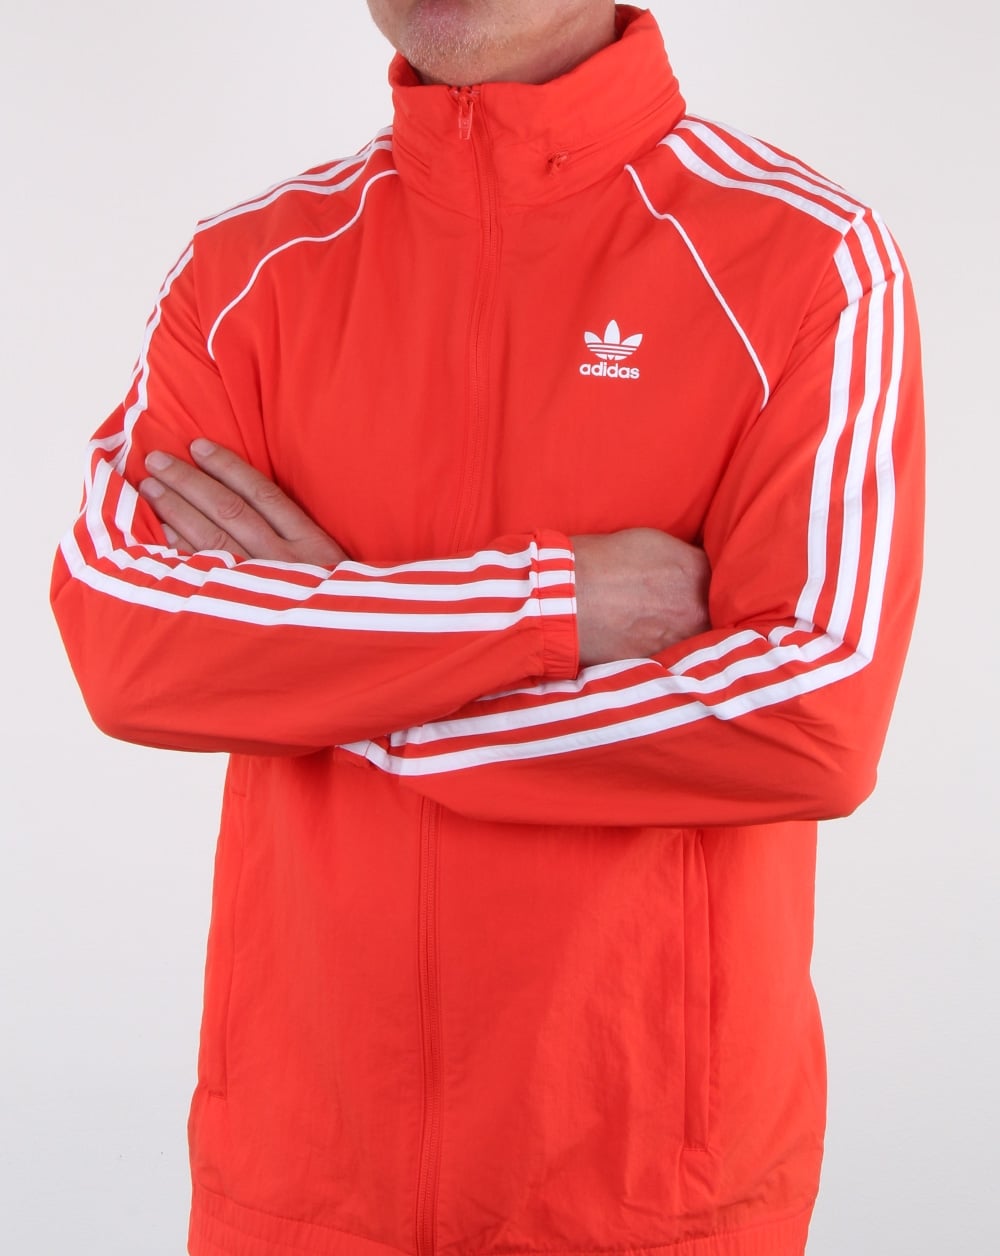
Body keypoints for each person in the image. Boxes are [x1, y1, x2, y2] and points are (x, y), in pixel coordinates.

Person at [49, 2, 925, 1254]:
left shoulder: (803, 256)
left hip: (648, 1192)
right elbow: (126, 639)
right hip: (297, 1177)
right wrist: (553, 603)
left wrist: (338, 667)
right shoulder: (248, 270)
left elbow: (809, 711)